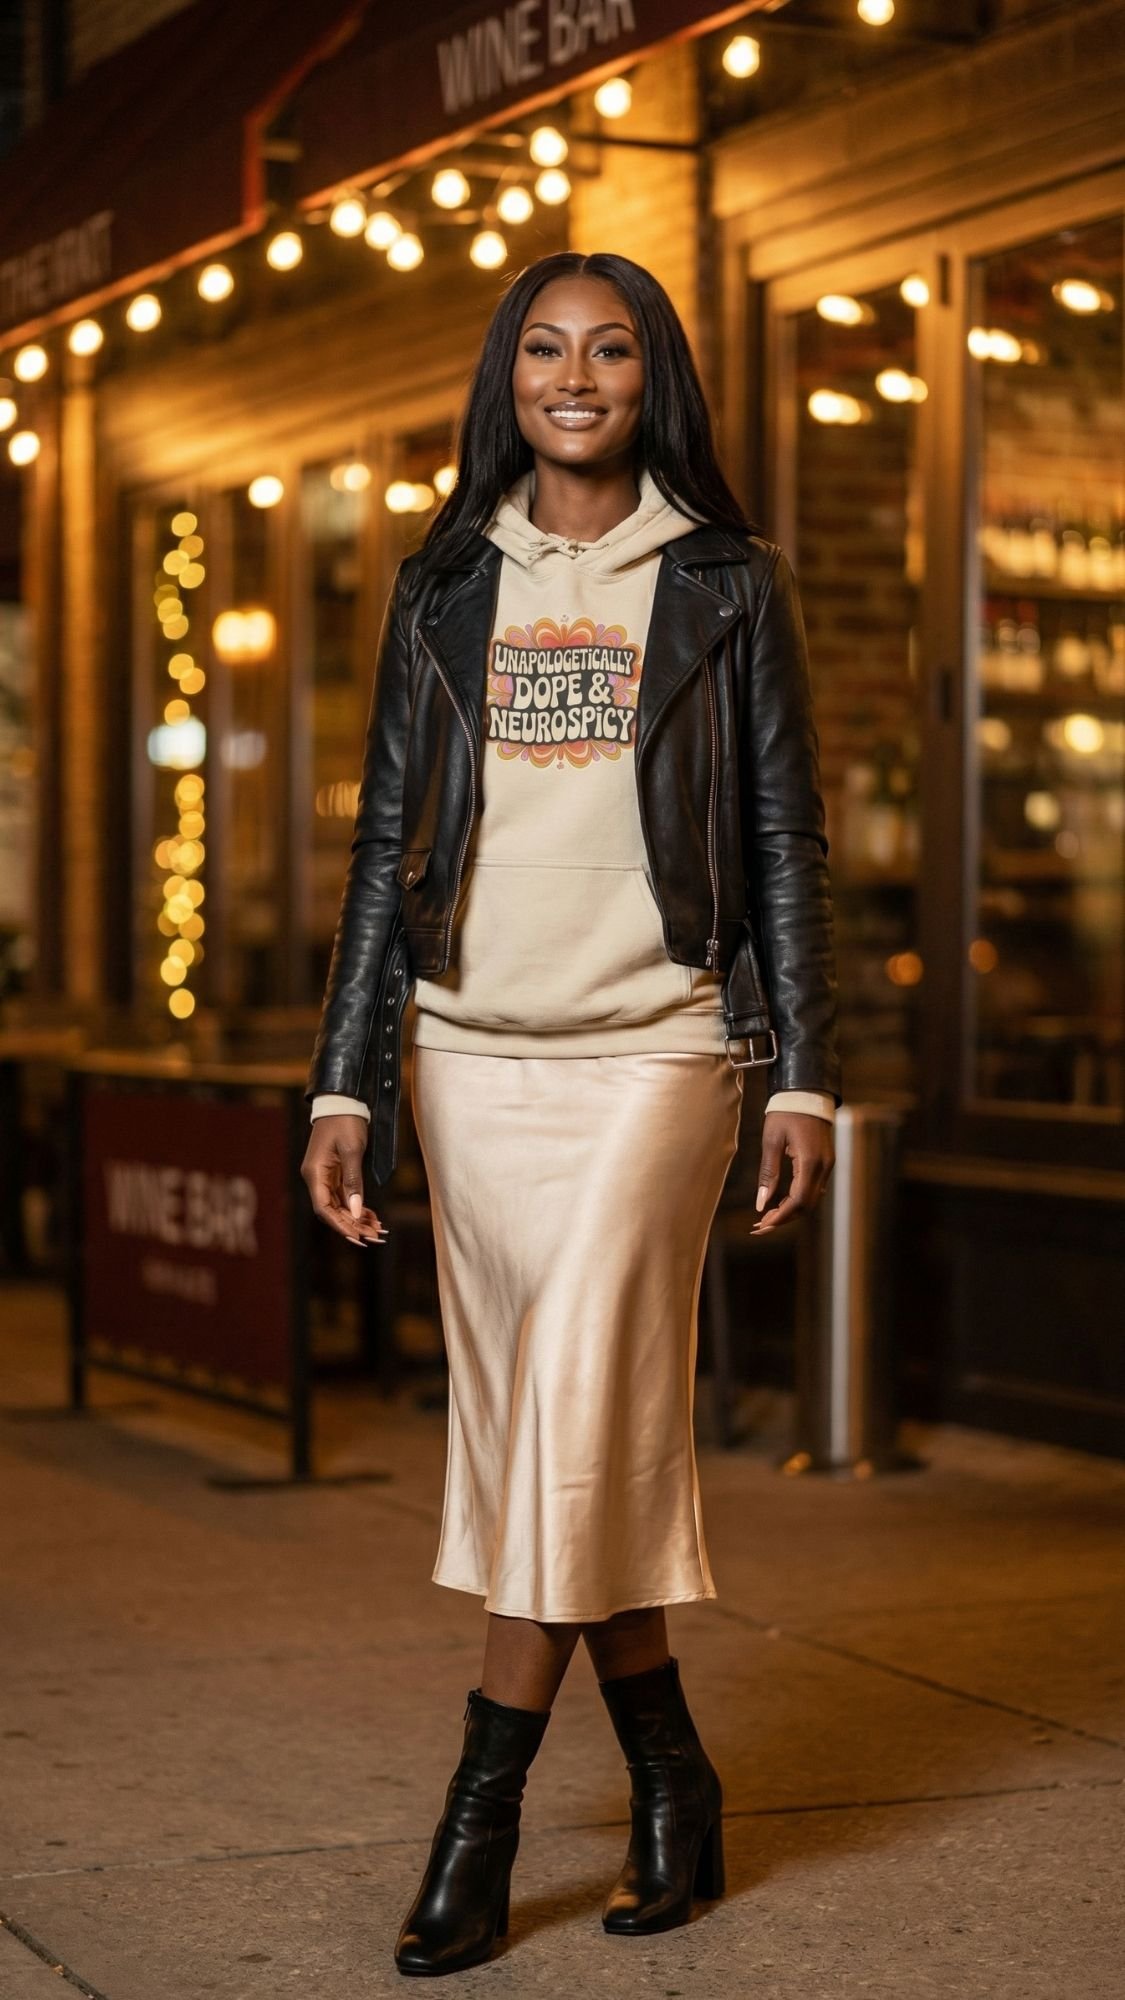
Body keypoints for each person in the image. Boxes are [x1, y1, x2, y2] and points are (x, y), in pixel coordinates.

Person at [301, 249, 842, 1976]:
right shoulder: (444, 580)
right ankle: (674, 1779)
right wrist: (343, 1077)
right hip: (470, 1060)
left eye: (610, 349)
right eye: (543, 349)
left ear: (651, 378)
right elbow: (386, 843)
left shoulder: (726, 581)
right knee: (566, 1427)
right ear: (507, 379)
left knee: (560, 1403)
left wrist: (804, 1065)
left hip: (659, 1054)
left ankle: (480, 1820)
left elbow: (780, 833)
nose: (576, 375)